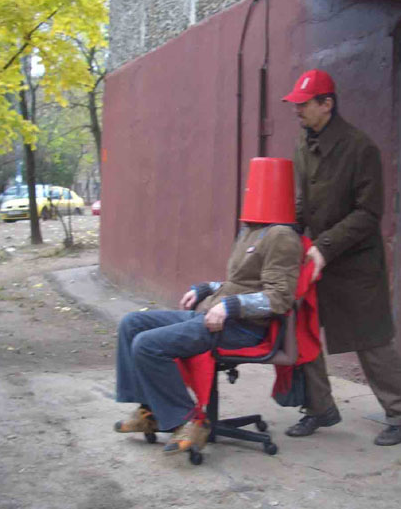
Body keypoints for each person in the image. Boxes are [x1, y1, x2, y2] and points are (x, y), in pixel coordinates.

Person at [114, 158, 302, 455]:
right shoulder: (251, 229)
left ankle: (190, 421)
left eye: (256, 184)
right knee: (131, 324)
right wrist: (207, 288)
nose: (250, 190)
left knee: (147, 344)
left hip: (243, 328)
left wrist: (230, 305)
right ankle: (150, 412)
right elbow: (241, 282)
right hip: (215, 315)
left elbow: (279, 298)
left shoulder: (282, 236)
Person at [281, 69, 401, 446]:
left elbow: (368, 213)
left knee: (372, 341)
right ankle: (319, 407)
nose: (297, 110)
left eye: (304, 104)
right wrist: (286, 233)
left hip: (356, 264)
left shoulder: (360, 148)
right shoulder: (302, 144)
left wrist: (324, 247)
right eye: (295, 104)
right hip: (316, 260)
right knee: (303, 330)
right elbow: (302, 201)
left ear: (327, 104)